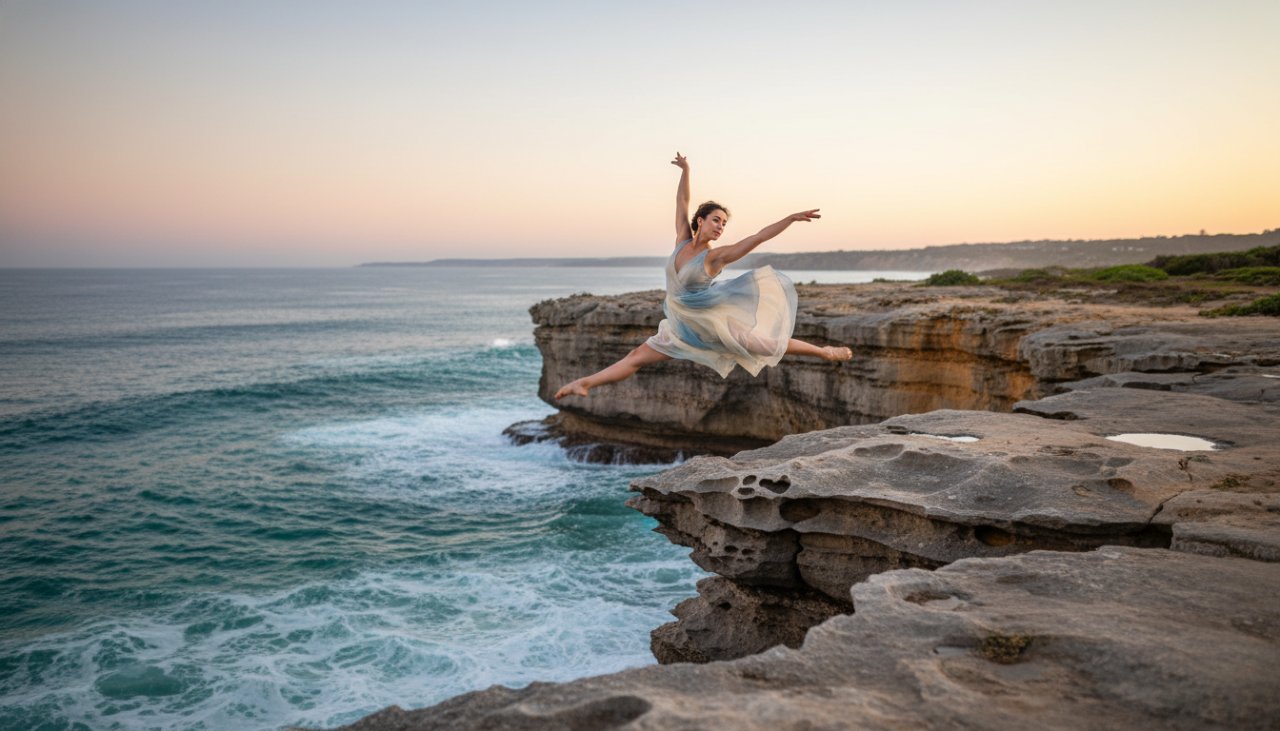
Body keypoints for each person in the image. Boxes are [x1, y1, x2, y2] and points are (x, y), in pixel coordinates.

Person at [554, 152, 852, 400]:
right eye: (716, 220)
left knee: (765, 344)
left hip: (709, 324)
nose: (721, 227)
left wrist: (789, 219)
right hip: (680, 327)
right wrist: (686, 169)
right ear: (701, 221)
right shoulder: (682, 240)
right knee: (635, 357)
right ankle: (585, 383)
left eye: (724, 223)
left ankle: (824, 352)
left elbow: (757, 237)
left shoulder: (715, 256)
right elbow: (681, 202)